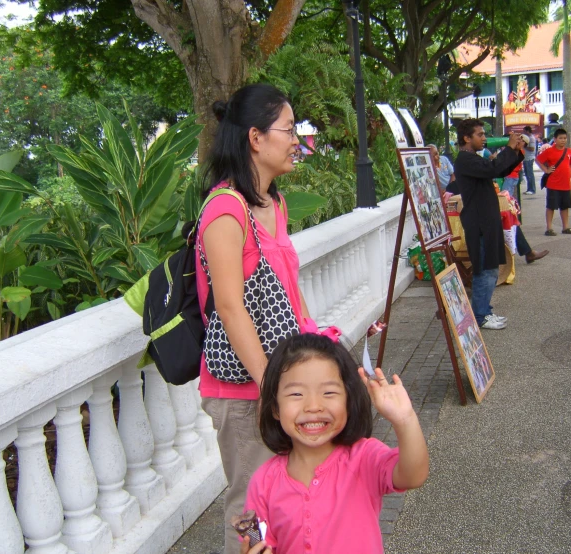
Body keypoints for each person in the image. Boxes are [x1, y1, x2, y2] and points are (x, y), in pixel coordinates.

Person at [197, 83, 317, 554]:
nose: (296, 141)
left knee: (287, 496)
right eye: (288, 130)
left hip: (281, 379)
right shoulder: (225, 209)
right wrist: (270, 387)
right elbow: (229, 307)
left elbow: (288, 293)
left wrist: (315, 354)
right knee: (250, 506)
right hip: (245, 391)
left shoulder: (274, 204)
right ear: (255, 137)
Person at [242, 334, 428, 554]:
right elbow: (257, 542)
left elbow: (413, 475)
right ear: (275, 407)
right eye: (296, 394)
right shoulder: (263, 483)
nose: (313, 406)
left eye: (329, 393)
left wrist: (405, 420)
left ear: (348, 401)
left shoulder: (364, 458)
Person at [453, 118, 524, 330]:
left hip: (486, 220)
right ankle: (481, 315)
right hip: (479, 221)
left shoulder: (473, 158)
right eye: (480, 135)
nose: (484, 138)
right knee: (484, 269)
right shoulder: (465, 160)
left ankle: (484, 310)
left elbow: (498, 170)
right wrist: (509, 149)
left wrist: (516, 152)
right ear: (467, 138)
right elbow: (493, 168)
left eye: (484, 134)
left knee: (491, 267)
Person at [536, 128, 571, 236]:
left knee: (565, 206)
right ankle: (549, 228)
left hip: (566, 184)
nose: (563, 140)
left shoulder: (568, 151)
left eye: (564, 138)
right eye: (560, 138)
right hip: (553, 184)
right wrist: (546, 170)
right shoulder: (549, 151)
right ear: (555, 139)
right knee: (551, 206)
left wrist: (570, 172)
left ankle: (565, 227)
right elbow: (538, 160)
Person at [522, 126, 537, 194]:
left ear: (527, 131)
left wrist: (524, 146)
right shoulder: (528, 138)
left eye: (524, 131)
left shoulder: (531, 138)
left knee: (530, 174)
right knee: (527, 174)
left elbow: (532, 149)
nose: (523, 133)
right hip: (526, 158)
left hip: (529, 158)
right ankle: (529, 189)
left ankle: (532, 189)